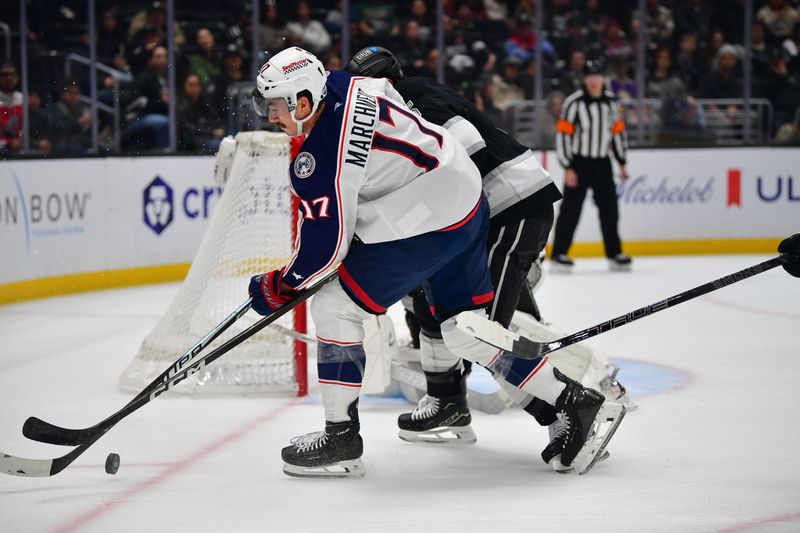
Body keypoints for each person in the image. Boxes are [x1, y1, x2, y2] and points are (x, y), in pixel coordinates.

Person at [249, 47, 623, 478]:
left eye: (274, 105)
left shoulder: (317, 159)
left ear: (303, 100)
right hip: (468, 204)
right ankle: (572, 401)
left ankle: (340, 438)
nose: (268, 115)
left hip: (427, 223)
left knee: (333, 304)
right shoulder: (350, 84)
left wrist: (276, 287)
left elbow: (323, 253)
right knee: (465, 330)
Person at [345, 46, 574, 462]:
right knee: (428, 301)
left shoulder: (410, 100)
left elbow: (463, 154)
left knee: (481, 333)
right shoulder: (403, 105)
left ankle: (566, 408)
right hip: (487, 218)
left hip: (510, 209)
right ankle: (448, 402)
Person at [551, 58, 633, 272]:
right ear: (584, 79)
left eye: (597, 76)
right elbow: (563, 136)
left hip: (603, 164)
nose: (594, 80)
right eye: (589, 76)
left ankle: (615, 253)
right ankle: (560, 253)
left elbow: (617, 134)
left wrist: (622, 162)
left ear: (603, 78)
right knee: (570, 210)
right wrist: (568, 166)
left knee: (610, 211)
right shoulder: (573, 103)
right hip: (579, 163)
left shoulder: (612, 103)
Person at [0, 61, 23, 154]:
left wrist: (21, 141)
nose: (9, 78)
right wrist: (9, 142)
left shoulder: (24, 99)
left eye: (12, 74)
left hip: (21, 148)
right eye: (5, 74)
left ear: (18, 77)